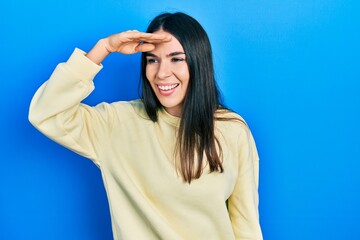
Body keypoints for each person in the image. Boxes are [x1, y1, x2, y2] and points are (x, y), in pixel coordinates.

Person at [28, 12, 263, 240]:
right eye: (153, 60)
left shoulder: (232, 130)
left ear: (198, 62)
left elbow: (246, 227)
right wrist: (104, 48)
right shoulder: (117, 124)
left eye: (176, 59)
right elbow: (45, 112)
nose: (162, 73)